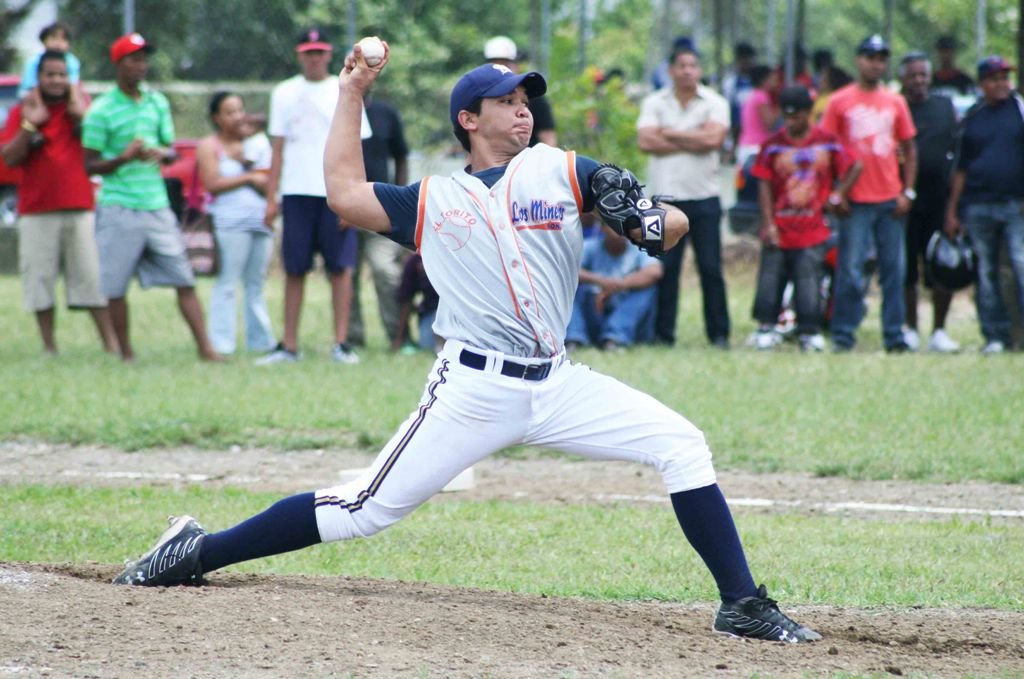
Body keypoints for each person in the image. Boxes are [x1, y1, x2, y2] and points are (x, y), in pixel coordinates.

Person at [111, 46, 822, 645]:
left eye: (526, 98)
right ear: (468, 119)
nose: (523, 108)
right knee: (362, 508)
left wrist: (641, 208)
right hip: (476, 391)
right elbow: (340, 191)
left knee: (682, 443)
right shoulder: (434, 200)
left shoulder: (561, 167)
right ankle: (194, 551)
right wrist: (353, 90)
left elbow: (667, 231)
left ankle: (741, 604)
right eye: (506, 99)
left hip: (559, 382)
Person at [82, 33, 220, 362]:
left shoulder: (156, 102)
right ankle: (126, 353)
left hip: (155, 204)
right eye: (134, 59)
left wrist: (161, 153)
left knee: (184, 278)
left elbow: (171, 152)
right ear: (118, 63)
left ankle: (206, 349)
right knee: (115, 287)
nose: (141, 65)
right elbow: (89, 164)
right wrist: (124, 158)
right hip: (118, 206)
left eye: (144, 59)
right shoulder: (101, 110)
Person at [257, 28, 365, 365]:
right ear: (300, 54)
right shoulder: (285, 92)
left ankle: (341, 343)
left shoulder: (344, 88)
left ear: (328, 54)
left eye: (319, 52)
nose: (314, 58)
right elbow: (278, 148)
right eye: (308, 52)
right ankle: (289, 344)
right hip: (297, 190)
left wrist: (356, 197)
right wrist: (271, 197)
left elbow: (356, 145)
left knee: (340, 268)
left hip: (335, 191)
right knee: (294, 268)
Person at [0, 50, 117, 356]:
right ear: (38, 78)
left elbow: (101, 148)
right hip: (37, 209)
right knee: (40, 281)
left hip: (79, 206)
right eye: (50, 75)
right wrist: (30, 126)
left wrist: (82, 117)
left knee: (91, 279)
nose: (56, 81)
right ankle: (49, 346)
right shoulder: (24, 111)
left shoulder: (81, 110)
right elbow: (10, 157)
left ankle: (111, 344)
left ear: (71, 79)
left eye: (62, 75)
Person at [820, 34, 918, 352]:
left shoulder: (895, 101)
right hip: (855, 201)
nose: (875, 63)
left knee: (894, 270)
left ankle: (894, 336)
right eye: (869, 57)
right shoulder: (839, 101)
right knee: (850, 270)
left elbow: (909, 147)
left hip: (890, 199)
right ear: (858, 60)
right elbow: (827, 151)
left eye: (881, 58)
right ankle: (843, 335)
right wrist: (836, 192)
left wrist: (909, 191)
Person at [749, 85, 861, 352]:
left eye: (797, 116)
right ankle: (766, 327)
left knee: (808, 280)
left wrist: (838, 194)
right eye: (786, 116)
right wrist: (768, 223)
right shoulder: (772, 145)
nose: (791, 122)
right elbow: (763, 184)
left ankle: (809, 331)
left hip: (813, 227)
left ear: (809, 113)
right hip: (780, 224)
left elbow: (855, 165)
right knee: (770, 277)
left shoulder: (827, 141)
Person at [637, 43, 731, 348]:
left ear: (699, 70)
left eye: (693, 65)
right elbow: (646, 142)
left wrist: (669, 132)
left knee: (710, 268)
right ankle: (663, 335)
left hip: (705, 197)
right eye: (682, 65)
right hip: (663, 200)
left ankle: (719, 335)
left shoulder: (715, 102)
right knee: (666, 269)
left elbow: (714, 139)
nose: (687, 70)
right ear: (671, 70)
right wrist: (696, 137)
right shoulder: (654, 102)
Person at [944, 56, 1024, 355]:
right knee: (985, 272)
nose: (1001, 84)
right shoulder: (973, 119)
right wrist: (952, 211)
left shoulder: (1020, 110)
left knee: (1020, 264)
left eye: (1005, 78)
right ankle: (995, 335)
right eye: (994, 79)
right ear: (982, 85)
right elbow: (960, 170)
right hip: (977, 205)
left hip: (1015, 204)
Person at [195, 91, 276, 356]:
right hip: (230, 224)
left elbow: (270, 181)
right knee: (227, 282)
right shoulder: (210, 146)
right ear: (216, 117)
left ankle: (261, 340)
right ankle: (221, 342)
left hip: (260, 221)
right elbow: (213, 183)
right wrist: (249, 177)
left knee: (256, 283)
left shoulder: (256, 144)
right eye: (229, 112)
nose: (237, 117)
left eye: (240, 110)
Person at [899, 52, 960, 353]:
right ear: (903, 78)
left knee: (941, 264)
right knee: (907, 266)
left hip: (939, 200)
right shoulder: (896, 106)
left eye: (924, 74)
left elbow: (958, 149)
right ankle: (910, 327)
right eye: (913, 75)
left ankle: (939, 331)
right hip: (905, 201)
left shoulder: (945, 107)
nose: (919, 81)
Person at [348, 89, 410, 347]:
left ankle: (399, 336)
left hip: (380, 209)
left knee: (385, 271)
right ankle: (351, 337)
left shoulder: (386, 113)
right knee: (345, 274)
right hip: (344, 210)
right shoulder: (337, 114)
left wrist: (400, 198)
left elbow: (401, 157)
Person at [565, 223, 663, 351]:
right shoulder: (590, 246)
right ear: (602, 228)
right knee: (569, 286)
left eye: (625, 227)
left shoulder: (639, 249)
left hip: (625, 312)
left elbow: (655, 272)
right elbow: (567, 268)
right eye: (614, 226)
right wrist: (602, 282)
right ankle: (574, 339)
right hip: (593, 309)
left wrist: (618, 285)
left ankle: (615, 338)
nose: (619, 232)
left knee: (647, 289)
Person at [484, 35, 557, 147]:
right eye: (496, 64)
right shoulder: (481, 98)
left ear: (516, 66)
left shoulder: (534, 96)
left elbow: (548, 138)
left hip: (529, 161)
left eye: (506, 64)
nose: (501, 69)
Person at [390, 253, 440, 353]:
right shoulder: (415, 261)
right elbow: (406, 299)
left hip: (457, 311)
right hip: (431, 312)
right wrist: (399, 338)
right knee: (427, 347)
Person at [18, 22, 82, 98]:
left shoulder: (72, 61)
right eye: (54, 38)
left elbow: (73, 82)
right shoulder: (34, 61)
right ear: (44, 41)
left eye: (63, 39)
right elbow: (29, 84)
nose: (58, 43)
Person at [735, 64, 779, 167]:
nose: (776, 81)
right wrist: (780, 110)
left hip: (745, 145)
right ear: (764, 80)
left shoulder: (751, 95)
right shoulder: (761, 96)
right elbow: (769, 123)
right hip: (756, 147)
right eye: (772, 78)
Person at [720, 41, 758, 156]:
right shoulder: (730, 83)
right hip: (736, 131)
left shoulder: (757, 81)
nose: (747, 62)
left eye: (749, 59)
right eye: (743, 59)